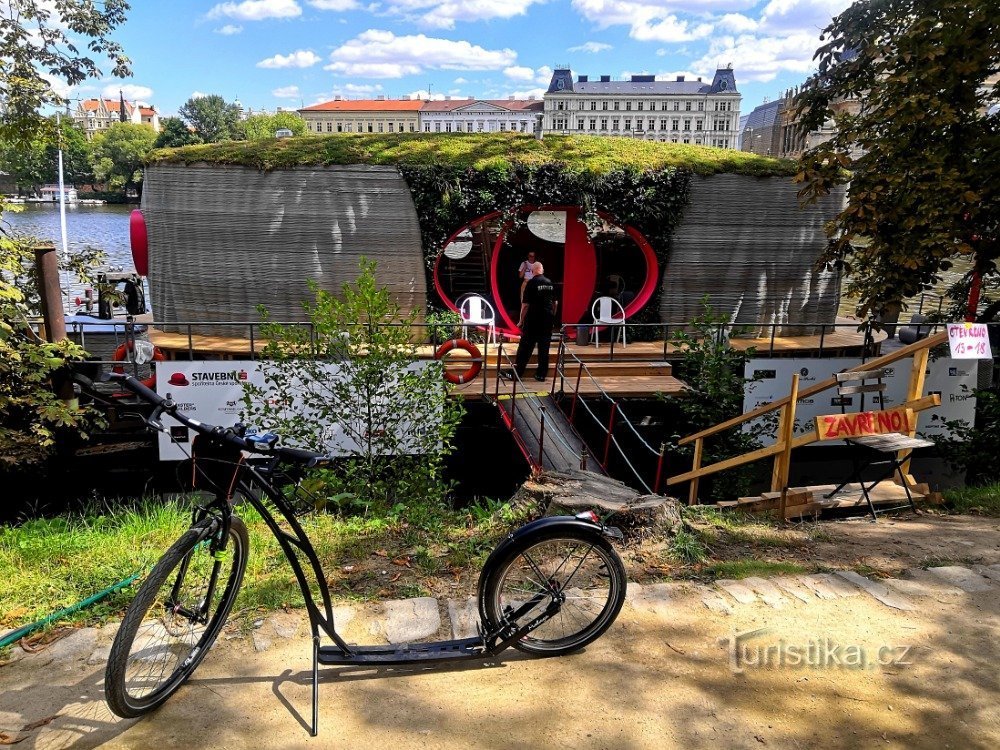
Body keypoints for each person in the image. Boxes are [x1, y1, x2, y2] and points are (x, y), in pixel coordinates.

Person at [502, 261, 557, 382]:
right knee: (544, 348)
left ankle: (516, 374)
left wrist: (521, 320)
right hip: (547, 320)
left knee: (525, 347)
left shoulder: (531, 283)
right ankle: (541, 375)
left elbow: (525, 305)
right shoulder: (549, 283)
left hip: (533, 319)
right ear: (542, 270)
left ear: (532, 271)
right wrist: (552, 316)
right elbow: (555, 303)